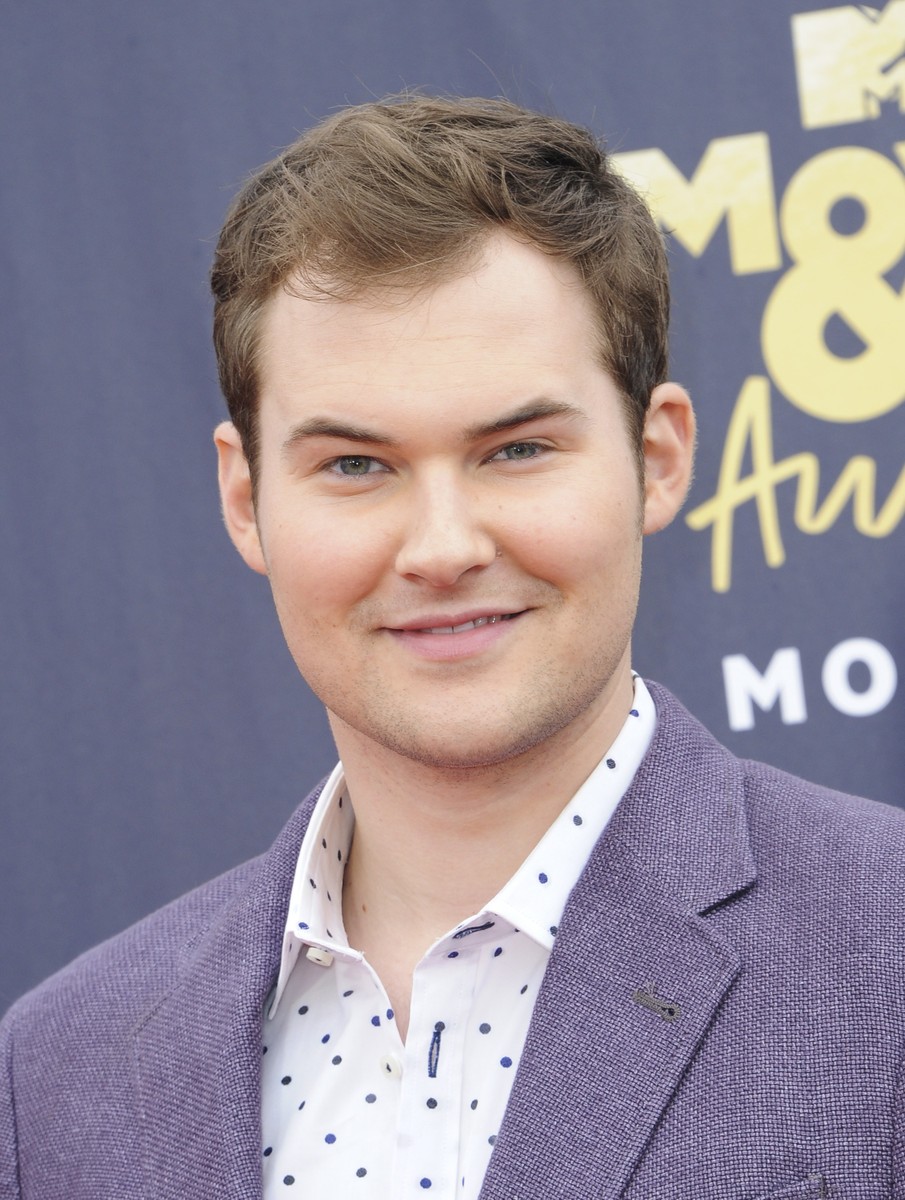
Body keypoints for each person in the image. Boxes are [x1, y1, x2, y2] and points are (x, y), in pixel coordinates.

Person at [2, 95, 904, 1200]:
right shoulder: (57, 1075)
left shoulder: (884, 947)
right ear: (244, 499)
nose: (440, 548)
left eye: (516, 449)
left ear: (656, 458)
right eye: (355, 466)